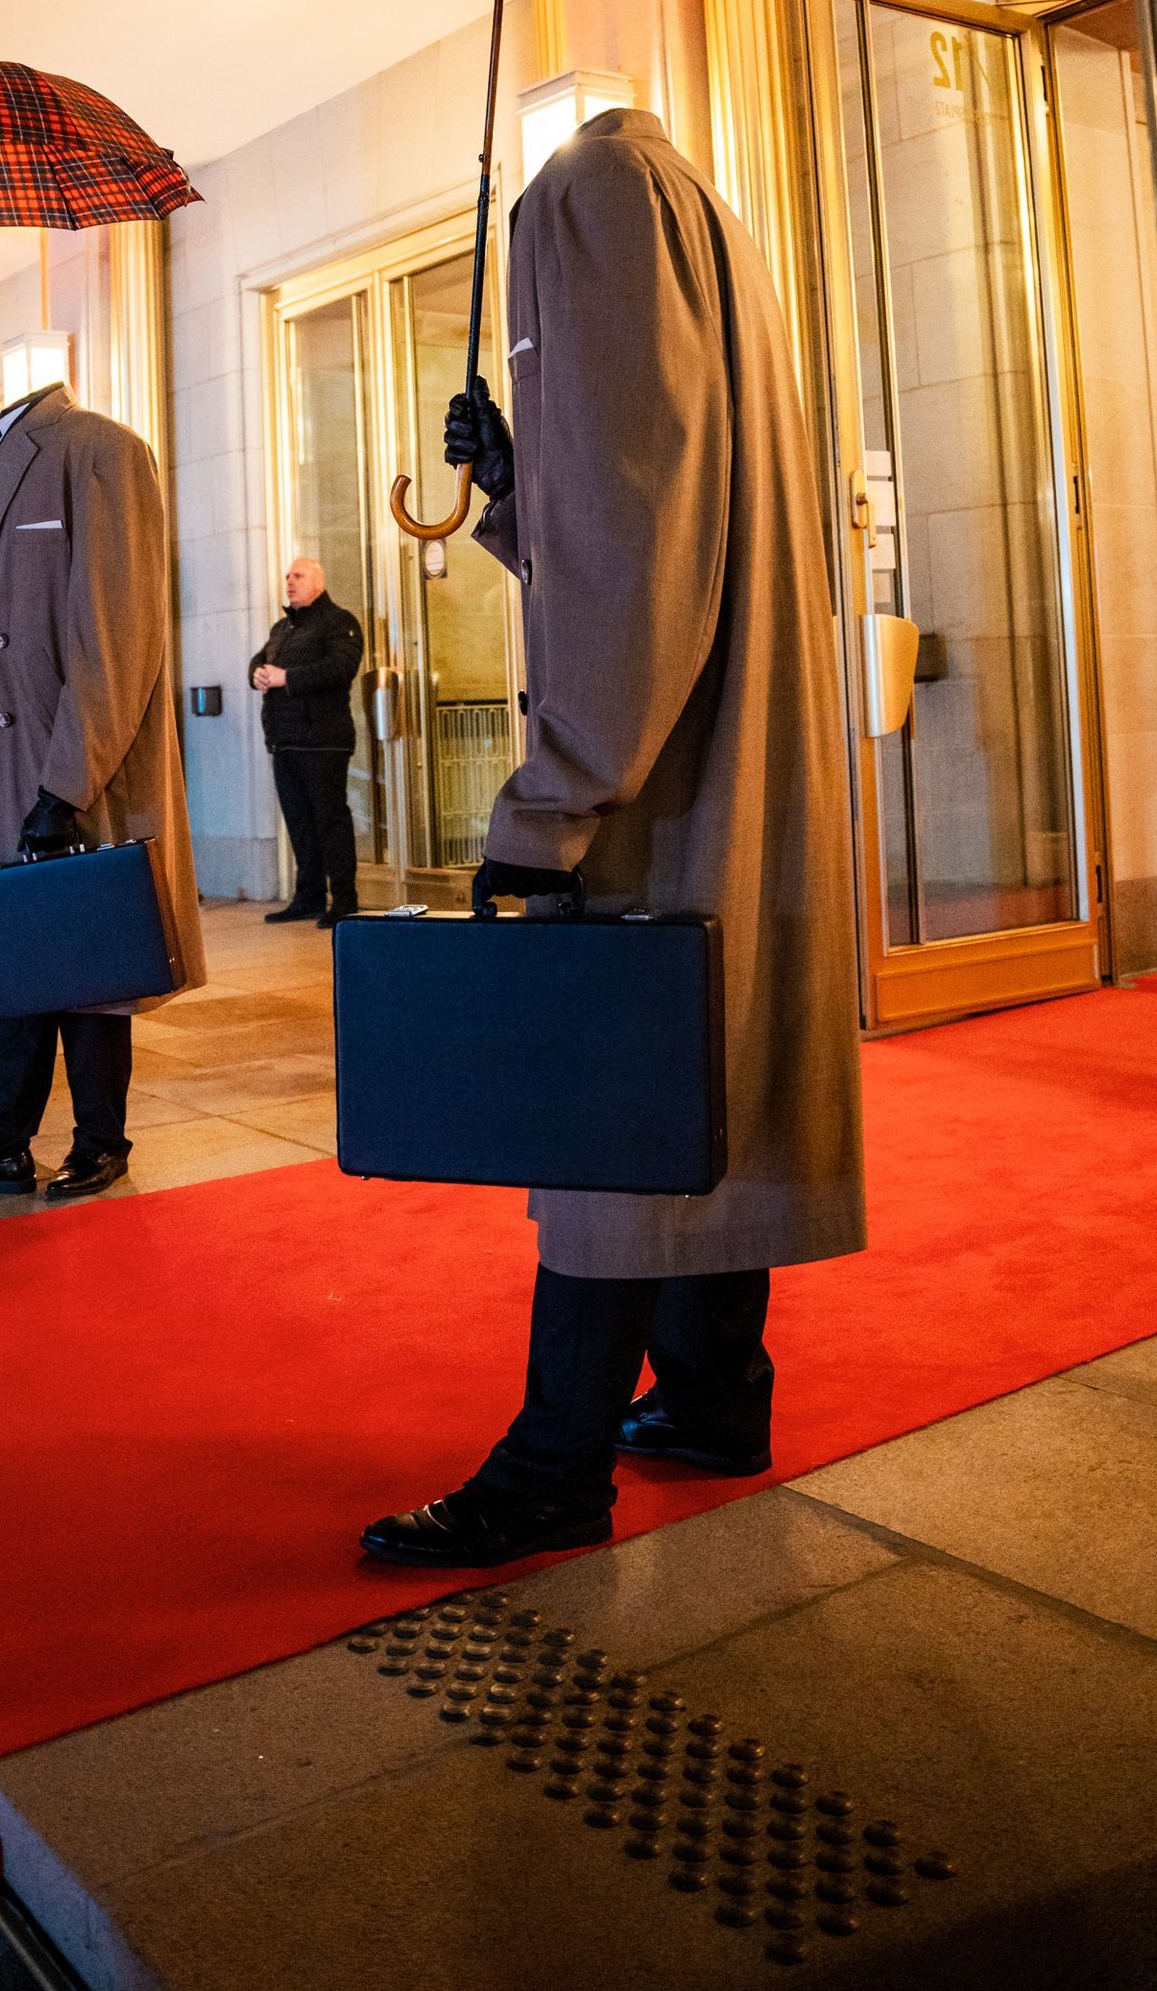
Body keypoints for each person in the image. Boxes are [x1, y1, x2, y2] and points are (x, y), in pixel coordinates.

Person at [360, 105, 864, 1566]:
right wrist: (518, 486)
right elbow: (659, 497)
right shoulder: (702, 205)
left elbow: (640, 541)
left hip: (659, 755)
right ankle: (715, 1393)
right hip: (730, 730)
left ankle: (554, 1463)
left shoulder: (579, 197)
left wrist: (557, 793)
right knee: (711, 1078)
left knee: (609, 1114)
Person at [0, 377, 205, 1201]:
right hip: (7, 766)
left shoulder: (102, 450)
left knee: (90, 960)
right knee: (15, 959)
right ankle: (1, 1141)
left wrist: (69, 782)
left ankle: (102, 1140)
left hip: (75, 758)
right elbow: (3, 656)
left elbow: (119, 632)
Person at [250, 556, 364, 928]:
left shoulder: (339, 622)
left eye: (298, 575)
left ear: (319, 582)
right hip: (285, 741)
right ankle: (309, 896)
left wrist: (287, 679)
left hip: (323, 740)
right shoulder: (282, 628)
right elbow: (259, 661)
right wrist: (258, 675)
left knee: (330, 820)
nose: (289, 581)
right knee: (300, 823)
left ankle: (344, 900)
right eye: (287, 576)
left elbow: (339, 669)